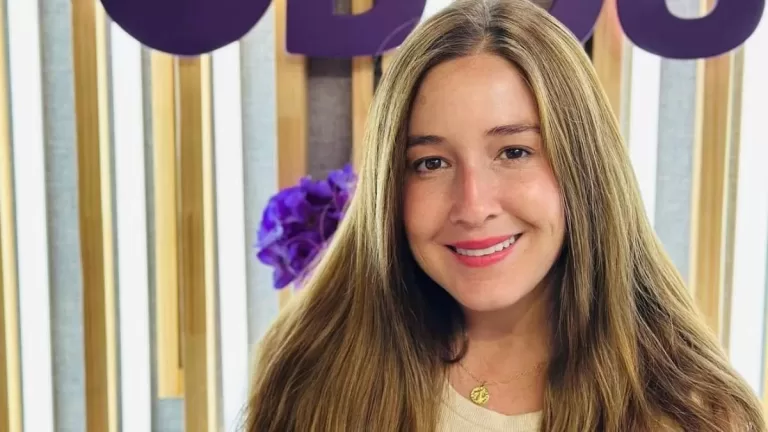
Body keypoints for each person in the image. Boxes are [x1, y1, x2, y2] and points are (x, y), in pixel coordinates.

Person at [243, 0, 766, 430]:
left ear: (585, 166)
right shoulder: (310, 374)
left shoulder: (694, 414)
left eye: (514, 152)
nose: (473, 206)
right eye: (430, 162)